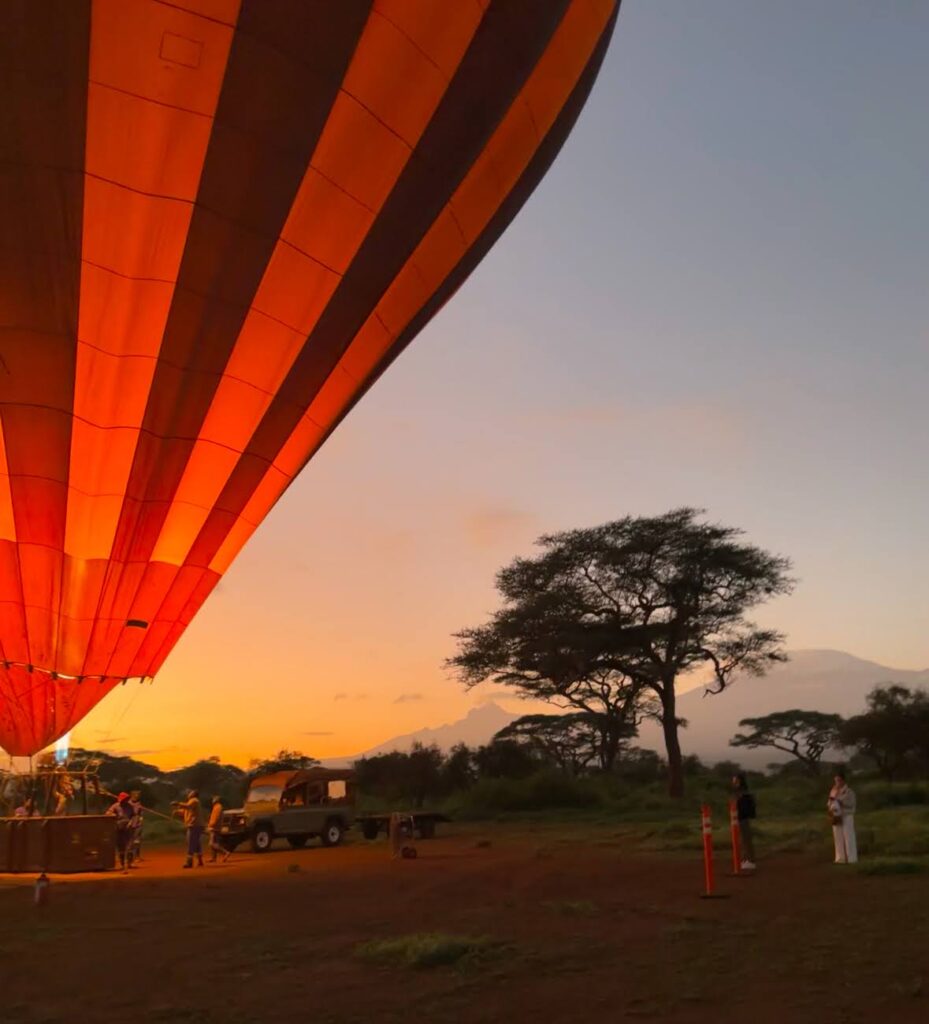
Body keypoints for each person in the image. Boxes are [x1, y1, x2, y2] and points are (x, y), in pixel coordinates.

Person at [828, 770, 857, 864]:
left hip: (846, 815)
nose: (837, 782)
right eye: (836, 780)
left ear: (843, 780)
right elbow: (829, 803)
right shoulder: (833, 791)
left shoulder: (849, 791)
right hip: (836, 816)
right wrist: (831, 808)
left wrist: (841, 802)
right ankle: (840, 858)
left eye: (839, 780)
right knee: (837, 837)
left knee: (849, 837)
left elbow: (852, 803)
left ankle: (852, 859)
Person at [172, 789, 205, 868]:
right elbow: (185, 811)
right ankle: (200, 861)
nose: (189, 793)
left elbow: (187, 806)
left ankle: (189, 862)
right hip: (196, 825)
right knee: (196, 843)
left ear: (194, 794)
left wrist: (177, 803)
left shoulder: (194, 800)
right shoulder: (192, 802)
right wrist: (177, 811)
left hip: (194, 825)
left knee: (191, 843)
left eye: (190, 792)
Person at [107, 791, 137, 872]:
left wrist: (131, 823)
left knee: (130, 845)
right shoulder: (115, 806)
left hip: (128, 827)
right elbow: (108, 813)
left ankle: (129, 862)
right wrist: (113, 815)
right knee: (120, 846)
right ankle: (123, 863)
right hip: (118, 827)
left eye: (126, 799)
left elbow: (134, 816)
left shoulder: (130, 806)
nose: (125, 801)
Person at [732, 773, 757, 871]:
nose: (733, 782)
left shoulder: (743, 793)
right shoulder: (739, 792)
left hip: (743, 818)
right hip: (740, 819)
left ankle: (750, 861)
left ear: (739, 781)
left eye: (734, 780)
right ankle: (746, 859)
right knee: (743, 840)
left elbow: (744, 807)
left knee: (746, 840)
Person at [207, 796, 229, 863]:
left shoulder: (218, 807)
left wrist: (211, 825)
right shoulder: (216, 807)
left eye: (213, 799)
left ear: (216, 800)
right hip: (216, 827)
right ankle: (213, 858)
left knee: (212, 843)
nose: (212, 801)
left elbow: (216, 818)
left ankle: (225, 852)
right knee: (215, 843)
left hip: (215, 827)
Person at [128, 789, 144, 863]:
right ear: (132, 795)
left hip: (138, 823)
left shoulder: (139, 804)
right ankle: (129, 857)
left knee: (137, 841)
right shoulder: (128, 804)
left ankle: (137, 856)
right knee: (130, 841)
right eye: (135, 795)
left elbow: (141, 814)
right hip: (129, 823)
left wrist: (140, 819)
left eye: (138, 795)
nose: (136, 796)